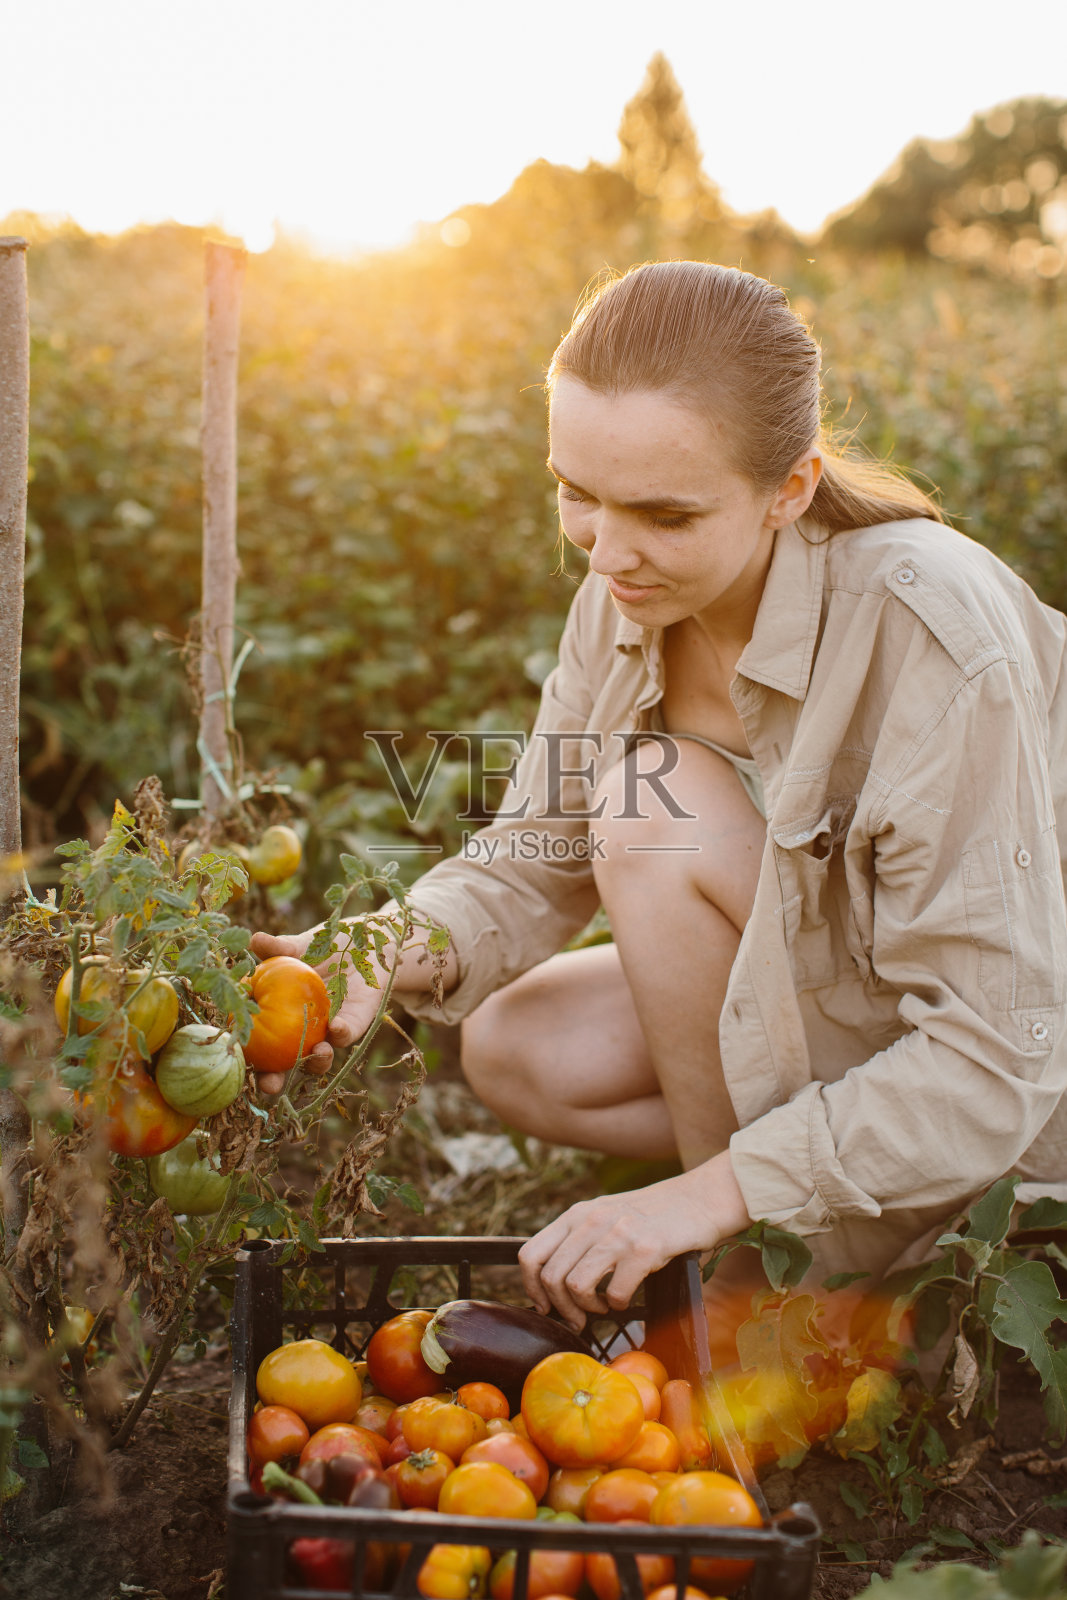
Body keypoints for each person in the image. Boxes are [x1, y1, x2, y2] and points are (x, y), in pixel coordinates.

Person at [254, 261, 1067, 1331]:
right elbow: (535, 851)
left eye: (663, 513)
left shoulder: (925, 627)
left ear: (789, 487)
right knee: (515, 1040)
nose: (608, 550)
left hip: (1022, 1049)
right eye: (576, 493)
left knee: (649, 805)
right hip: (848, 975)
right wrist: (370, 948)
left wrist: (697, 1196)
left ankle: (769, 1283)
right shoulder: (627, 598)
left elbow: (993, 1046)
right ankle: (797, 1218)